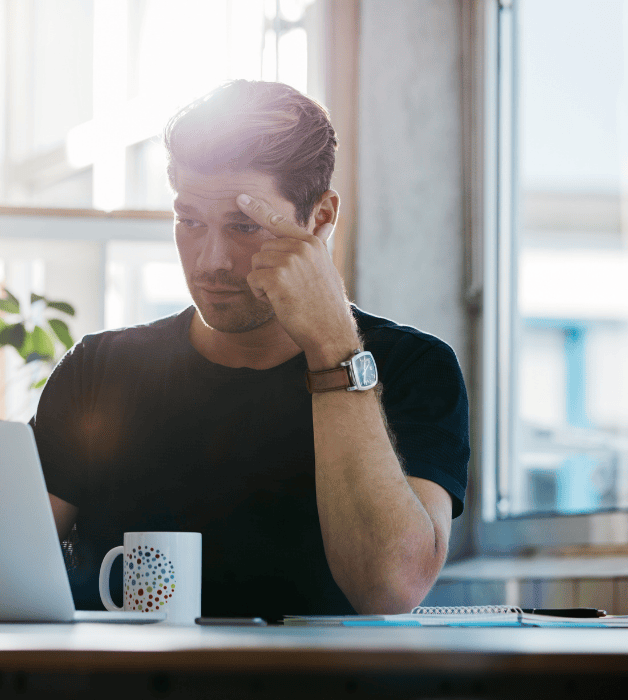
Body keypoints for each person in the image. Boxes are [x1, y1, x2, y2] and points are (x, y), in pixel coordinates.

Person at [30, 80, 469, 620]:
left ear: (320, 218)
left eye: (244, 225)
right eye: (190, 221)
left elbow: (388, 588)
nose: (211, 260)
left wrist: (332, 345)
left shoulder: (415, 369)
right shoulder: (98, 371)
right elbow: (1, 564)